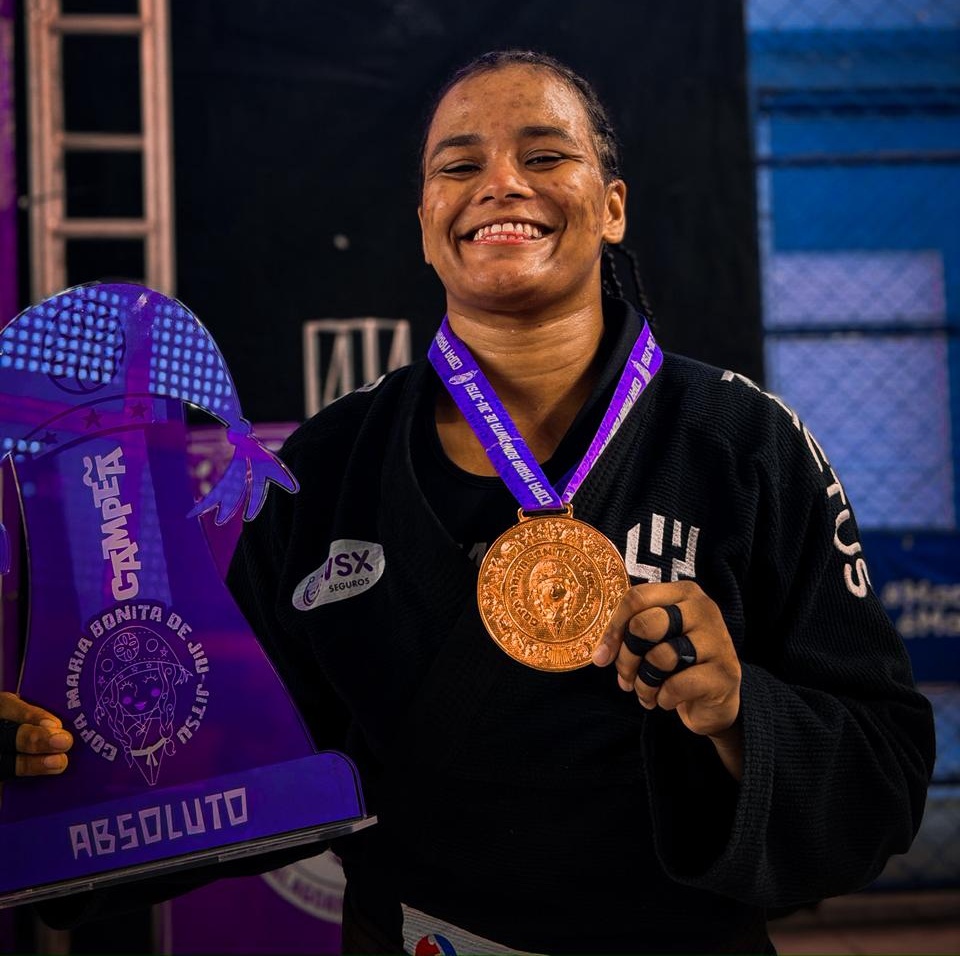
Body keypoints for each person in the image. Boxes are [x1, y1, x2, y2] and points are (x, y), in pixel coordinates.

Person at [1, 50, 936, 955]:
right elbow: (231, 760)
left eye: (545, 155)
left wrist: (737, 712)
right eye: (459, 166)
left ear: (612, 208)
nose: (501, 184)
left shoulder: (742, 441)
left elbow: (883, 763)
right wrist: (53, 774)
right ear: (426, 224)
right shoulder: (329, 463)